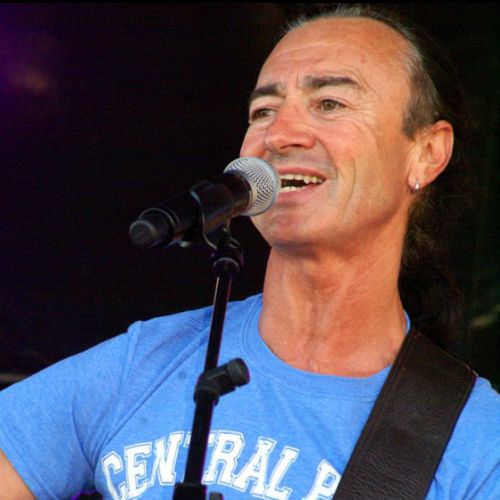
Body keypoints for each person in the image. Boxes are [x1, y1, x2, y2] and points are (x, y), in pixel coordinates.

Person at [0, 5, 498, 499]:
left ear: (427, 152)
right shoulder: (145, 363)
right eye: (263, 112)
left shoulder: (477, 443)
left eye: (329, 103)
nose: (279, 134)